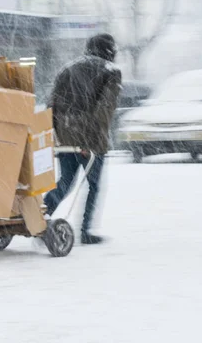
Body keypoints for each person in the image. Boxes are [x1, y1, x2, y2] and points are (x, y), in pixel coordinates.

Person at [44, 33, 122, 244]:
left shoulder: (67, 69)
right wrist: (91, 142)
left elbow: (51, 104)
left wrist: (54, 133)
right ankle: (86, 231)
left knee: (66, 181)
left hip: (64, 135)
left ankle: (41, 218)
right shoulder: (111, 72)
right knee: (93, 185)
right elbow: (104, 109)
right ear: (110, 51)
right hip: (90, 137)